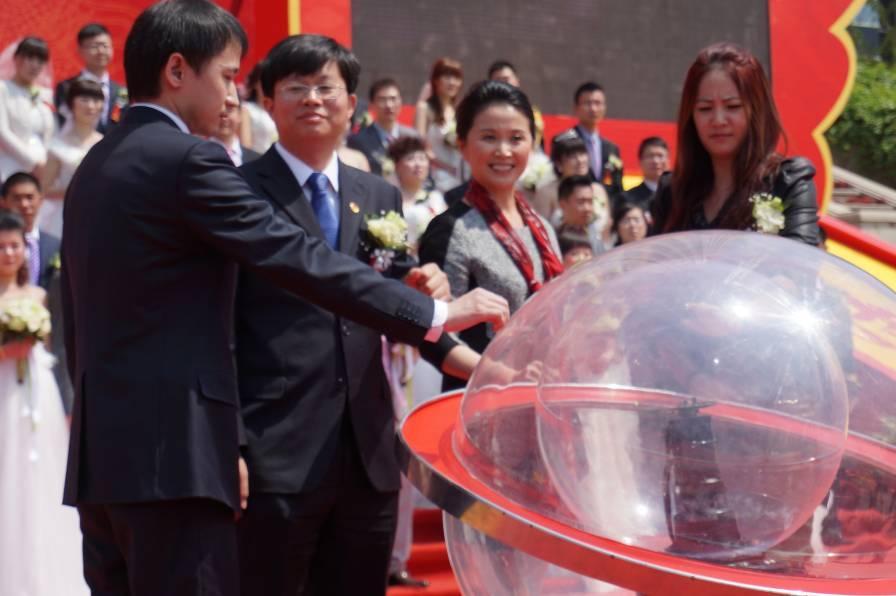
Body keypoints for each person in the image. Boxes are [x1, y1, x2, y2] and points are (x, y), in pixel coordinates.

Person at [61, 3, 509, 596]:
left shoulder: (95, 165)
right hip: (180, 460)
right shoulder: (188, 160)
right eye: (227, 76)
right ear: (177, 71)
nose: (232, 96)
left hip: (106, 461)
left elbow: (75, 315)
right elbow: (297, 256)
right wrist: (436, 313)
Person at [419, 80, 564, 391]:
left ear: (533, 143)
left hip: (542, 395)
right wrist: (503, 376)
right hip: (478, 400)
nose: (504, 151)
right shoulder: (451, 229)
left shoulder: (543, 229)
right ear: (462, 145)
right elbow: (433, 334)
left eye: (516, 138)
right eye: (489, 137)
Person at [651, 43, 821, 245]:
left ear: (757, 111)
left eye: (733, 106)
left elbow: (801, 260)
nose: (718, 120)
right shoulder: (672, 192)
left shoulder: (788, 181)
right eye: (705, 109)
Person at [0, 209, 89, 596]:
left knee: (43, 474)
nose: (8, 253)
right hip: (4, 391)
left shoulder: (39, 294)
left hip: (38, 392)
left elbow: (58, 350)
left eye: (14, 246)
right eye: (2, 247)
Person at [0, 172, 70, 412]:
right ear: (4, 201)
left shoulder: (58, 246)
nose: (25, 204)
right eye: (17, 198)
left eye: (30, 197)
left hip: (40, 368)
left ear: (41, 199)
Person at [39, 79, 104, 238]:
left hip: (98, 214)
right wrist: (74, 190)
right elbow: (43, 189)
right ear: (71, 104)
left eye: (96, 100)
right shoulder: (57, 145)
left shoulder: (105, 143)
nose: (91, 106)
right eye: (84, 99)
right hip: (63, 215)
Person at [551, 81, 624, 197]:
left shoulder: (612, 148)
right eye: (587, 103)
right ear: (576, 108)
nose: (593, 109)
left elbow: (617, 188)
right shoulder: (563, 141)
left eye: (598, 103)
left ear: (604, 107)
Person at [54, 23, 128, 134]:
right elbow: (63, 123)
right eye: (94, 46)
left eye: (105, 46)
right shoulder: (66, 88)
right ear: (80, 51)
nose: (101, 51)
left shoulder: (122, 91)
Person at [532, 134, 610, 237]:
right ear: (559, 164)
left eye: (582, 154)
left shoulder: (598, 190)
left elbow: (608, 227)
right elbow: (539, 230)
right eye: (572, 156)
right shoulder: (546, 192)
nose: (580, 160)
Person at [0, 37, 55, 181]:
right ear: (16, 59)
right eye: (30, 58)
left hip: (42, 171)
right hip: (9, 168)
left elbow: (50, 135)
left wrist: (47, 165)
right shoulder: (3, 89)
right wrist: (32, 163)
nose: (35, 65)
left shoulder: (45, 94)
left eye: (40, 61)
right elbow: (2, 132)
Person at [347, 78, 417, 176]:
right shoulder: (358, 141)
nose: (389, 105)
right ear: (371, 105)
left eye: (393, 99)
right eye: (382, 100)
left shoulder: (412, 137)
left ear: (401, 101)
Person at [388, 135, 447, 251]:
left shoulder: (436, 198)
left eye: (422, 158)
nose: (418, 164)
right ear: (397, 166)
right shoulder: (390, 199)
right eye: (411, 159)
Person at [415, 57, 465, 192]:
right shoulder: (424, 108)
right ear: (436, 80)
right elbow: (420, 146)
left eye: (456, 78)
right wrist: (446, 167)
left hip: (461, 175)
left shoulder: (460, 111)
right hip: (435, 176)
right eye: (447, 77)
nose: (452, 82)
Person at [555, 174, 607, 255]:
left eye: (590, 202)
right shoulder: (554, 239)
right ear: (563, 204)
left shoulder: (595, 235)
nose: (587, 208)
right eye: (581, 202)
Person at [239, 60, 278, 153]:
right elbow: (246, 145)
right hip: (257, 158)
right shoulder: (247, 109)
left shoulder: (278, 109)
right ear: (255, 83)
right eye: (264, 81)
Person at [622, 136, 669, 213]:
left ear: (668, 160)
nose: (655, 161)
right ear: (640, 161)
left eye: (660, 156)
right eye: (650, 156)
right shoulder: (627, 199)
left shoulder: (679, 196)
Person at [211, 97, 260, 167]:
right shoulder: (198, 157)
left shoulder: (256, 160)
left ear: (240, 114)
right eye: (218, 108)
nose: (224, 115)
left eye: (229, 108)